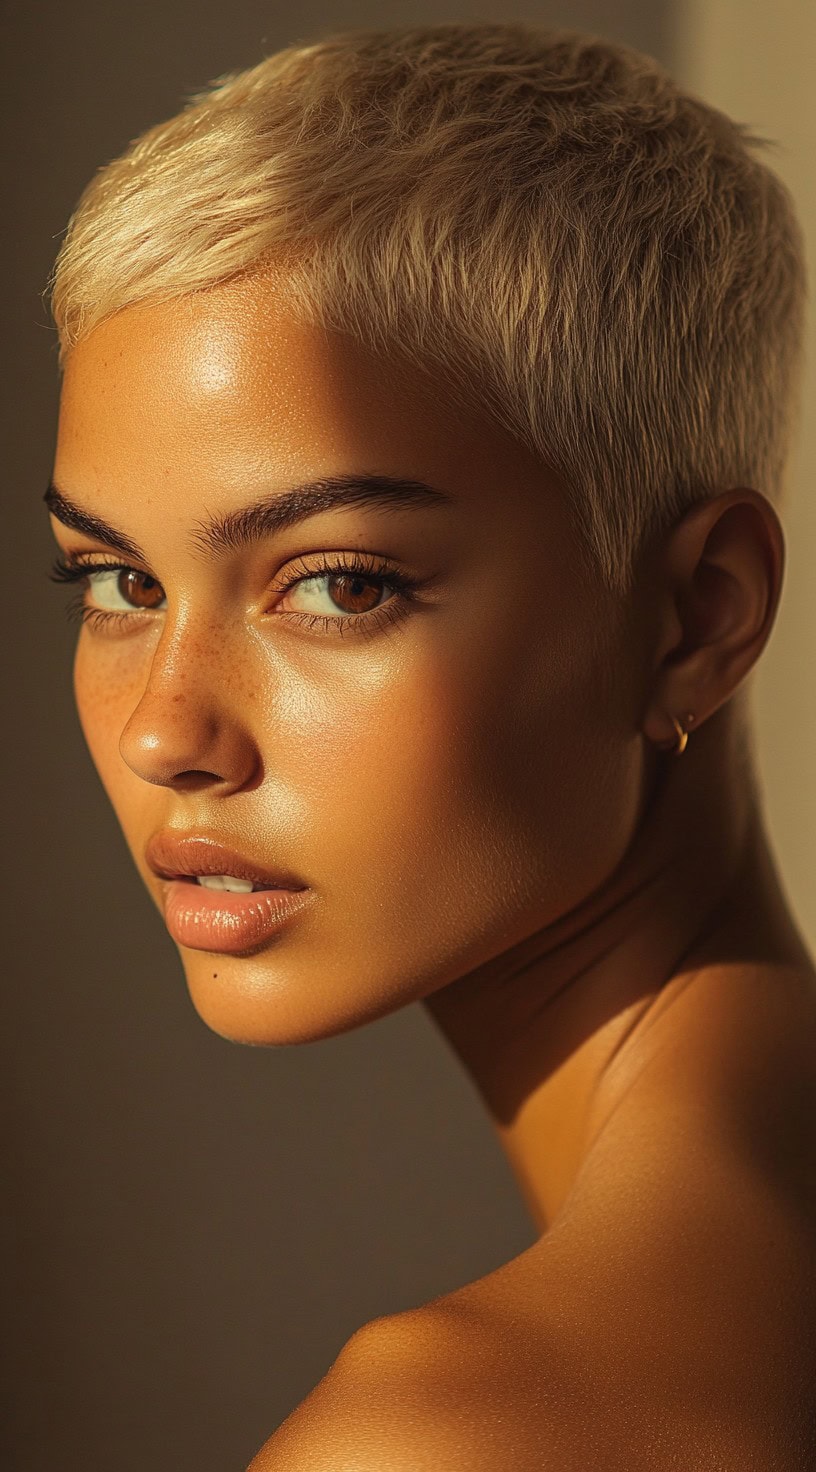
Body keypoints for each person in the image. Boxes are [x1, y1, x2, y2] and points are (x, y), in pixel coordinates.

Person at [44, 21, 816, 1470]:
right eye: (116, 583)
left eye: (340, 583)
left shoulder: (449, 1434)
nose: (164, 730)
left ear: (700, 617)